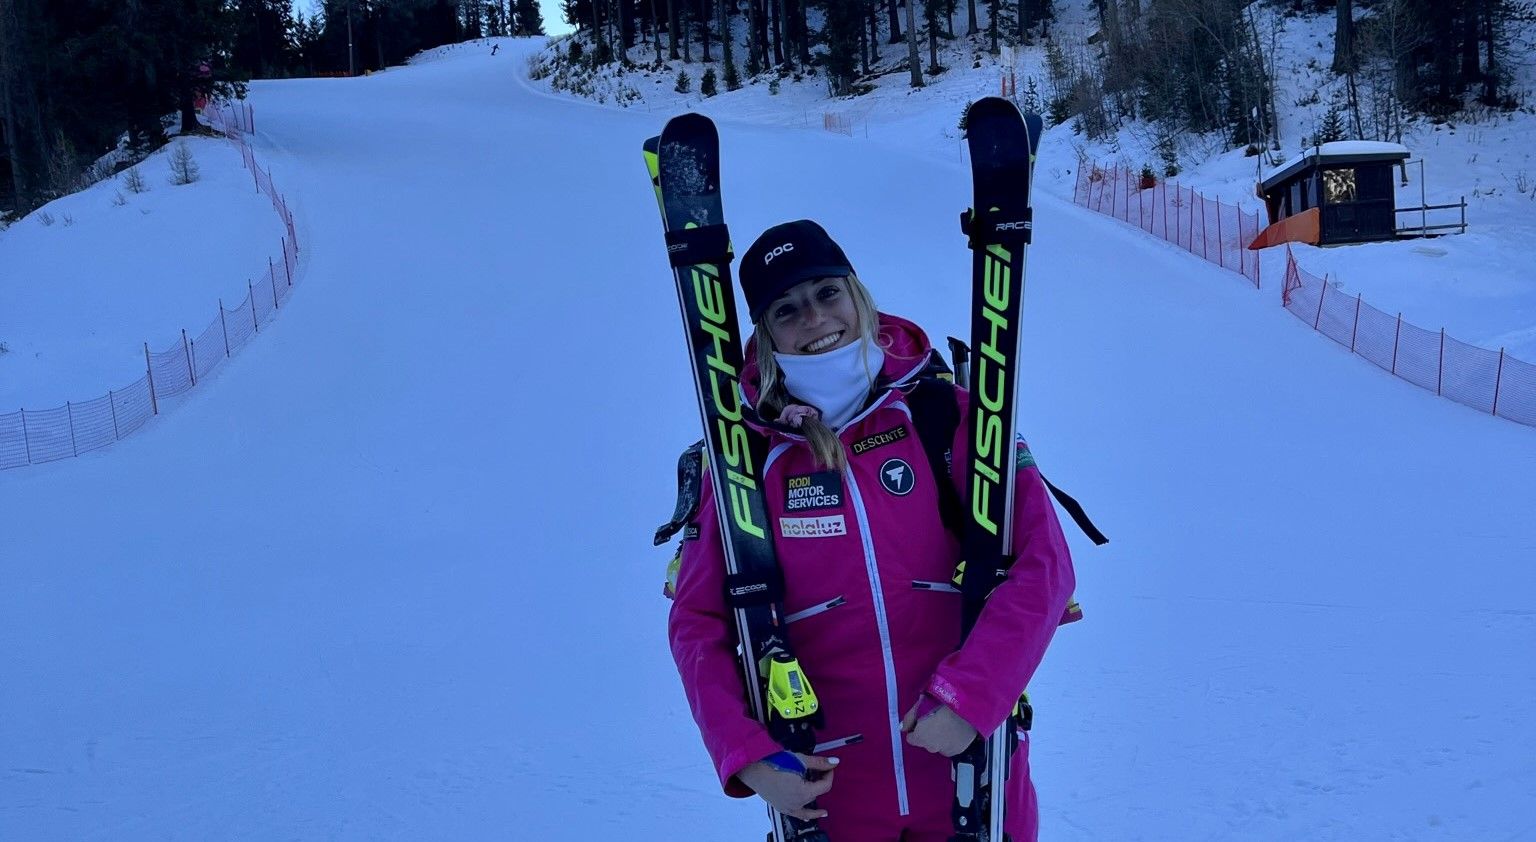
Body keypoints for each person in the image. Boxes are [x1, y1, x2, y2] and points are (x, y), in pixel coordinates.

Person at [667, 219, 1077, 841]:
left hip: (970, 766)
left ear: (857, 295)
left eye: (827, 292)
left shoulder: (945, 415)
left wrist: (971, 697)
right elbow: (697, 621)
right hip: (827, 788)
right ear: (765, 334)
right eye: (786, 309)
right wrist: (747, 754)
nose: (814, 317)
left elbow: (1044, 562)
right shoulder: (745, 460)